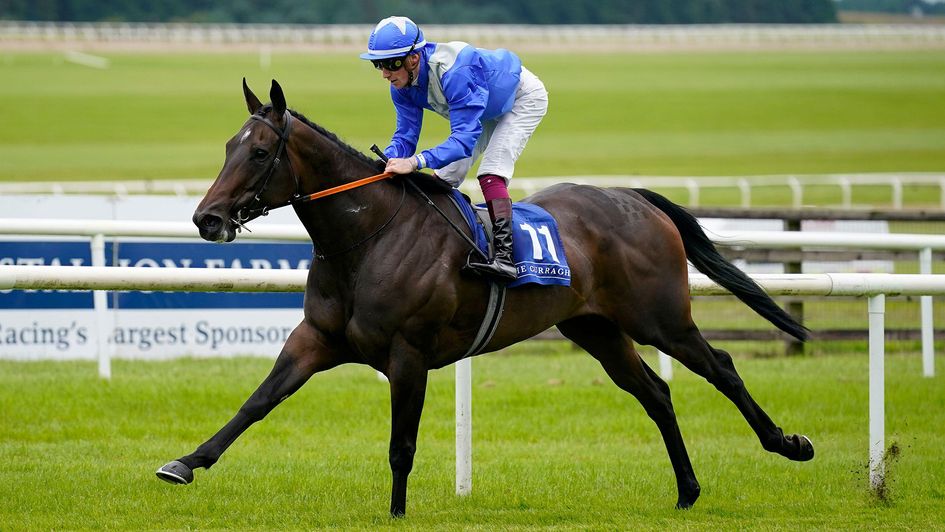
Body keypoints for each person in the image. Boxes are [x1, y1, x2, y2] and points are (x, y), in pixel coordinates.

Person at [360, 16, 548, 284]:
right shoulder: (401, 87)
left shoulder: (455, 72)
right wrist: (388, 160)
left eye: (391, 64)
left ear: (413, 59)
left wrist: (415, 162)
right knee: (443, 178)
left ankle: (507, 258)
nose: (385, 73)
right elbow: (405, 137)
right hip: (481, 108)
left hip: (520, 98)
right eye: (378, 64)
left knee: (491, 173)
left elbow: (463, 140)